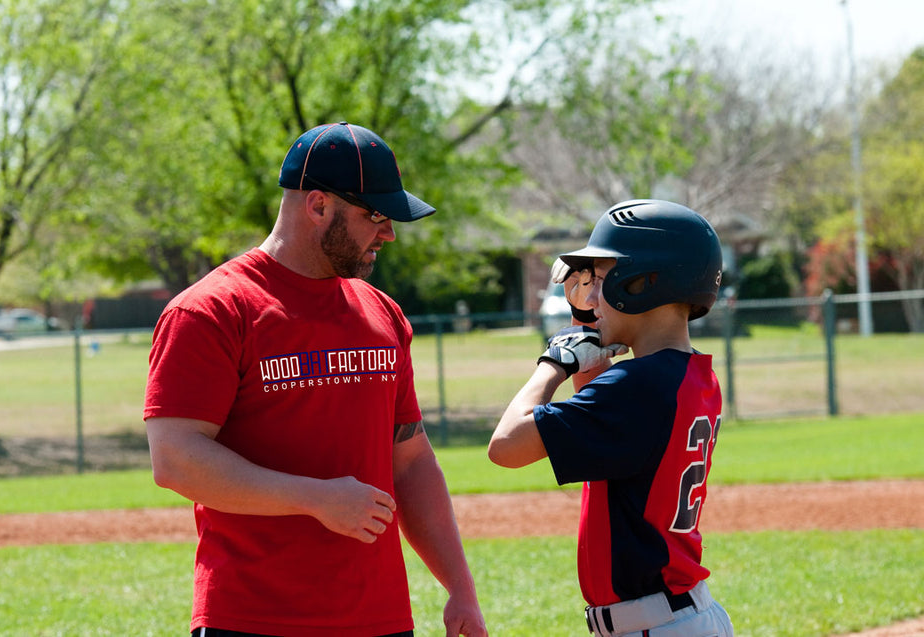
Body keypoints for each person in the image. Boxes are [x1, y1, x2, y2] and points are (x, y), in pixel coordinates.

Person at [144, 122, 488, 637]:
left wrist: (459, 587)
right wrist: (315, 497)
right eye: (375, 215)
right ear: (319, 206)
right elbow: (175, 460)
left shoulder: (382, 313)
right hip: (253, 619)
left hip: (380, 619)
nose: (389, 232)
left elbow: (411, 461)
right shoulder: (212, 310)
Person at [488, 199, 734, 637]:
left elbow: (506, 446)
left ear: (643, 283)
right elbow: (605, 440)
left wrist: (553, 364)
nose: (592, 297)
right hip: (676, 616)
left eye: (602, 279)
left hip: (654, 625)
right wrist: (591, 364)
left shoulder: (637, 385)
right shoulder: (691, 374)